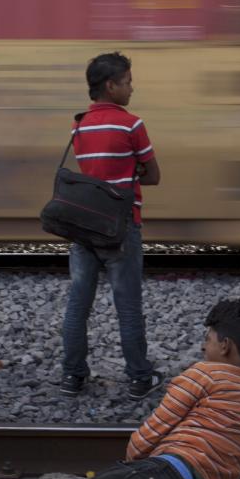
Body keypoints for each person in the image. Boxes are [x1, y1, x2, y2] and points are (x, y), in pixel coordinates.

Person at [12, 299, 240, 479]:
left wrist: (134, 466)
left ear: (226, 346)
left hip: (158, 478)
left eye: (207, 339)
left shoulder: (205, 374)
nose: (203, 347)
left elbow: (147, 436)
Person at [59, 52, 163, 400]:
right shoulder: (132, 125)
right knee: (128, 306)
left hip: (83, 226)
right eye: (128, 82)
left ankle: (73, 376)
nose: (132, 88)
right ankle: (138, 378)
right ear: (111, 85)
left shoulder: (78, 125)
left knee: (78, 304)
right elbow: (154, 176)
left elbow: (92, 173)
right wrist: (128, 177)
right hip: (122, 226)